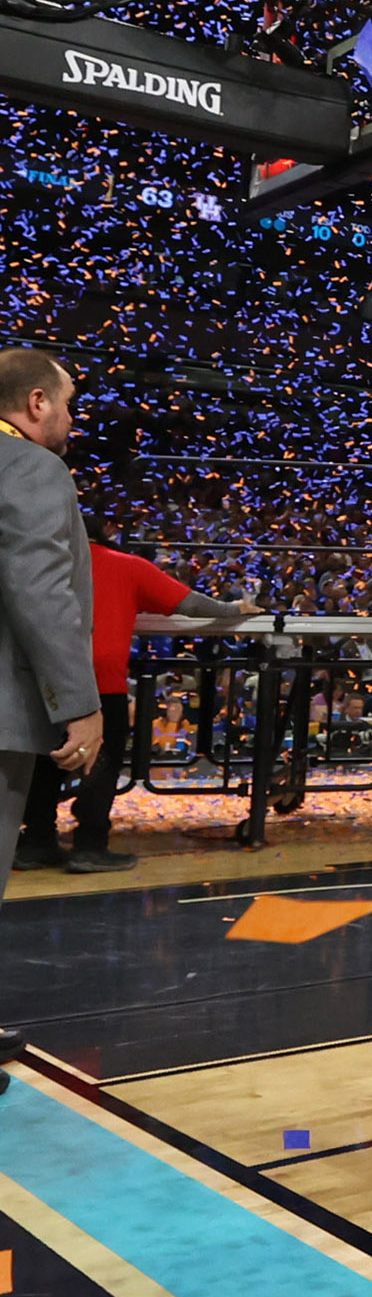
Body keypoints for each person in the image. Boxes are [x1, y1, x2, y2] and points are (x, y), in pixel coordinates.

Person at [0, 351, 109, 967]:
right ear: (37, 403)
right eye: (67, 402)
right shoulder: (31, 467)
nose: (71, 416)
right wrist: (80, 704)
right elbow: (40, 590)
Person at [20, 525, 189, 873]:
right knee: (100, 763)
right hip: (102, 682)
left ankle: (37, 842)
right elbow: (188, 602)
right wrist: (235, 607)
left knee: (44, 762)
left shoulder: (40, 564)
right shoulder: (127, 564)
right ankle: (90, 846)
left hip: (45, 681)